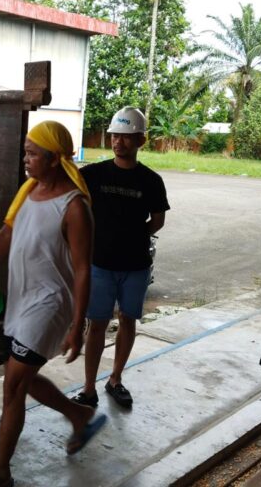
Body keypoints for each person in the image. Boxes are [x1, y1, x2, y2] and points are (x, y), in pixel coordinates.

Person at [0, 120, 107, 487]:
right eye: (25, 152)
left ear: (54, 159)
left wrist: (78, 325)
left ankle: (0, 472)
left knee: (12, 385)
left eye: (33, 153)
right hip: (21, 301)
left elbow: (83, 270)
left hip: (50, 304)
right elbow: (7, 233)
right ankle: (78, 415)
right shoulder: (28, 190)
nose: (26, 159)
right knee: (23, 378)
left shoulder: (74, 207)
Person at [72, 107, 169, 409]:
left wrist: (132, 237)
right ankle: (89, 388)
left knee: (128, 320)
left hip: (136, 267)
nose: (118, 142)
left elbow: (158, 220)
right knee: (97, 324)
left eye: (126, 137)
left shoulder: (151, 181)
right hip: (99, 265)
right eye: (115, 135)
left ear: (141, 140)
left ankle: (115, 379)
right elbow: (67, 195)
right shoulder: (92, 174)